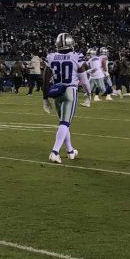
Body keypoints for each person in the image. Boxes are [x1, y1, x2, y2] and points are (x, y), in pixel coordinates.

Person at [42, 32, 90, 163]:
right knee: (65, 123)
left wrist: (45, 98)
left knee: (63, 123)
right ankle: (55, 152)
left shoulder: (51, 57)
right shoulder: (76, 56)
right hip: (70, 90)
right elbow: (84, 79)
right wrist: (89, 94)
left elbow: (45, 79)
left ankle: (70, 151)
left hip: (56, 91)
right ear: (71, 43)